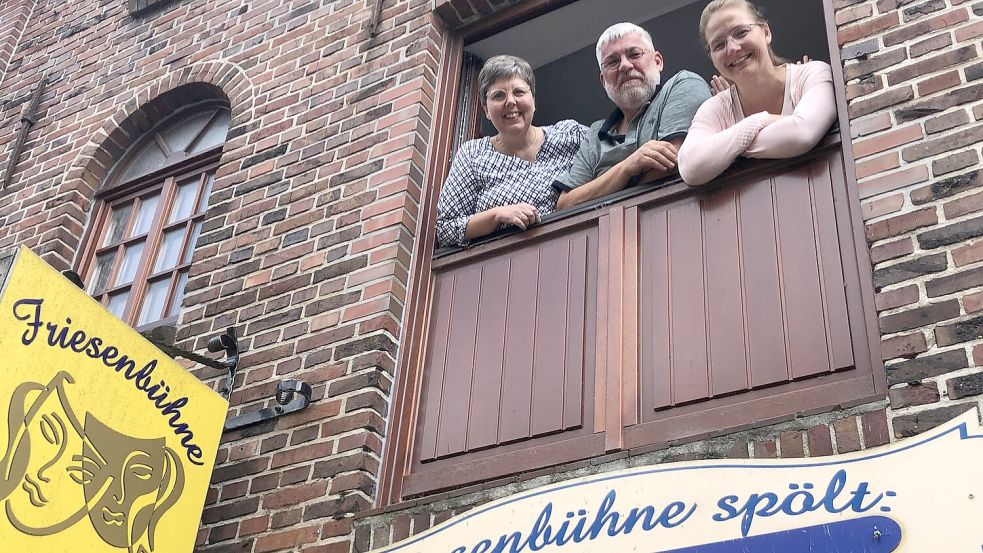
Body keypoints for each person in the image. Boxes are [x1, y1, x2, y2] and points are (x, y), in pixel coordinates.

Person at [677, 0, 837, 186]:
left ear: (766, 32)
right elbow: (690, 166)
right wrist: (758, 122)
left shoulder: (812, 73)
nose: (733, 48)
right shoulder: (715, 109)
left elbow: (803, 133)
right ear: (712, 58)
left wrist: (727, 150)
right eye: (719, 45)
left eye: (741, 32)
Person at [553, 23, 710, 210]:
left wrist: (602, 188)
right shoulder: (596, 133)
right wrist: (627, 166)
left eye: (634, 54)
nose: (625, 66)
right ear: (603, 80)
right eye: (612, 61)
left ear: (657, 61)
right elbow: (565, 203)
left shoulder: (682, 85)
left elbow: (675, 162)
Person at [435, 55, 588, 248]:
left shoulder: (570, 135)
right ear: (486, 110)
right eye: (498, 95)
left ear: (533, 100)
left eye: (519, 92)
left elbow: (611, 158)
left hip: (575, 250)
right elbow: (445, 228)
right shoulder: (472, 155)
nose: (510, 101)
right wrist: (498, 215)